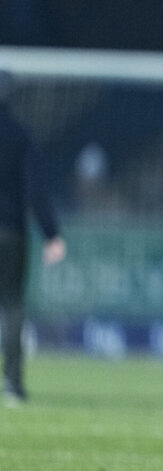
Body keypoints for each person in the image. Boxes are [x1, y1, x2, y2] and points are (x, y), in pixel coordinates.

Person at [0, 71, 66, 407]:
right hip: (10, 232)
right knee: (12, 306)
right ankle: (12, 385)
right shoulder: (20, 134)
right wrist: (51, 233)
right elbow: (34, 188)